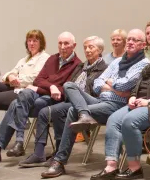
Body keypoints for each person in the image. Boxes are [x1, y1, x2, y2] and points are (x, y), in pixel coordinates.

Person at [40, 29, 149, 178]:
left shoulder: (143, 64)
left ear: (143, 45)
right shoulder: (117, 62)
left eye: (134, 40)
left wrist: (110, 84)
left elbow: (125, 86)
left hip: (117, 106)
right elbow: (97, 83)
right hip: (100, 100)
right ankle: (84, 114)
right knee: (69, 85)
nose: (130, 42)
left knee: (72, 110)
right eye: (129, 39)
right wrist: (113, 86)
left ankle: (59, 162)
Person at [92, 30, 150, 180]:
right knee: (114, 119)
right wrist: (133, 96)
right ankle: (111, 165)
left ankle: (135, 167)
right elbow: (139, 84)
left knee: (130, 121)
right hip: (142, 104)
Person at [0, 32, 82, 164]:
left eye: (66, 43)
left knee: (15, 104)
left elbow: (65, 91)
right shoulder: (53, 59)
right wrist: (51, 87)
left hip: (53, 100)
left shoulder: (77, 65)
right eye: (60, 43)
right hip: (40, 95)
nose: (62, 46)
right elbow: (39, 79)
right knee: (24, 95)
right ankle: (10, 144)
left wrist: (45, 88)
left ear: (74, 45)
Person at [17, 36, 109, 167]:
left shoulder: (104, 68)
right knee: (43, 111)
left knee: (55, 111)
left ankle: (58, 153)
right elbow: (67, 85)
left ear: (100, 50)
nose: (87, 50)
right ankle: (38, 153)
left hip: (87, 102)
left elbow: (95, 90)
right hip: (69, 99)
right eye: (85, 47)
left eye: (91, 47)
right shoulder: (82, 66)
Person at [0, 30, 50, 155]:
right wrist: (10, 77)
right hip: (15, 87)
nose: (32, 43)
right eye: (29, 41)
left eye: (35, 40)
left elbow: (35, 79)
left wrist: (16, 80)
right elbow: (8, 73)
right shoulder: (24, 59)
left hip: (26, 92)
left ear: (41, 43)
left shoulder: (44, 58)